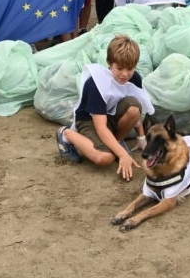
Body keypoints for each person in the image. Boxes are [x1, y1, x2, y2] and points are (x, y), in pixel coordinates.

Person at [55, 35, 153, 181]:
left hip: (110, 116)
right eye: (119, 68)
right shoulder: (97, 84)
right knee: (104, 158)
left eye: (130, 69)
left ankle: (116, 142)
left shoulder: (135, 78)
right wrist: (122, 155)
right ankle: (66, 134)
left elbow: (137, 109)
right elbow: (100, 127)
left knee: (134, 107)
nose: (125, 74)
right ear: (109, 63)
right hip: (89, 121)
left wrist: (141, 136)